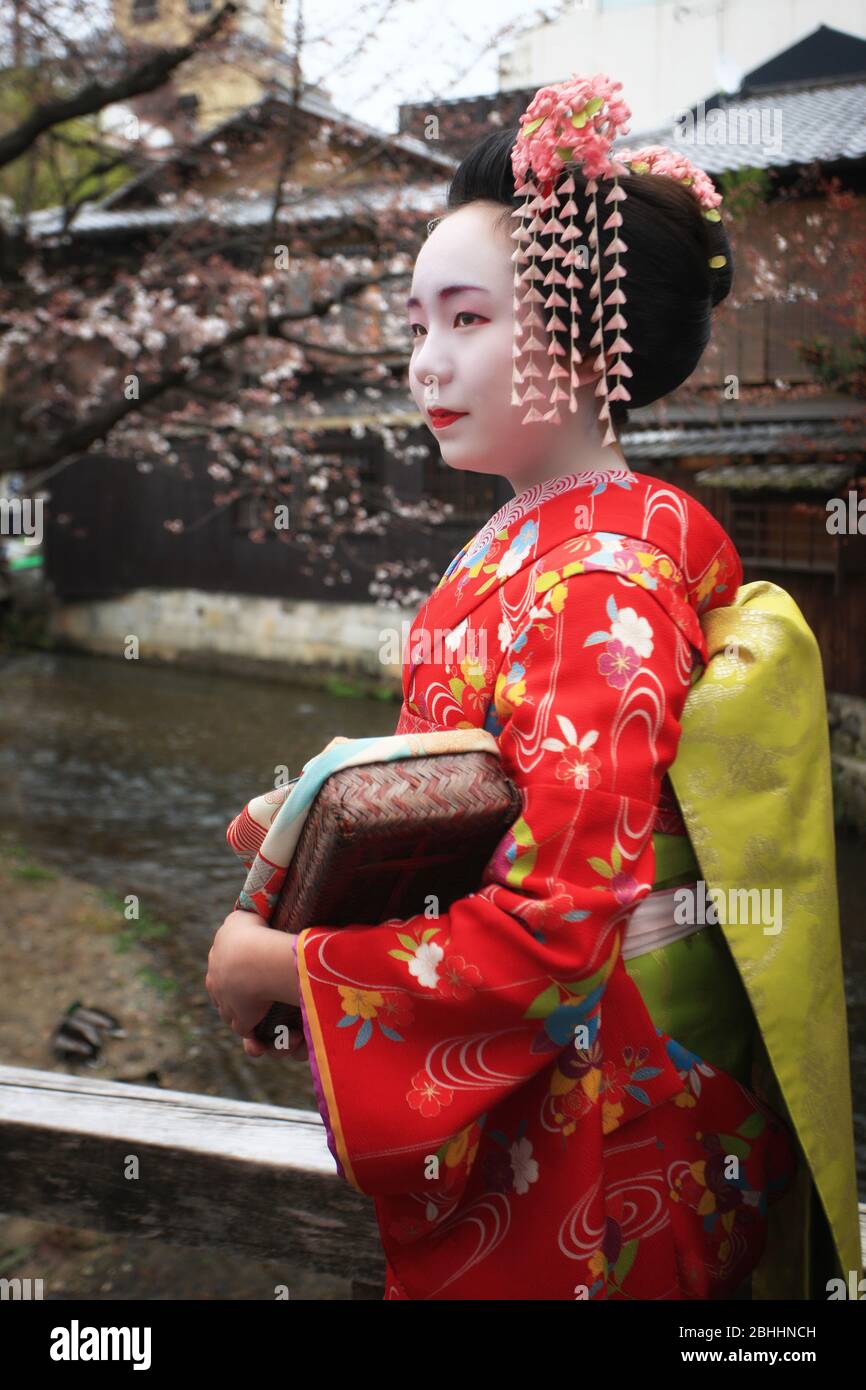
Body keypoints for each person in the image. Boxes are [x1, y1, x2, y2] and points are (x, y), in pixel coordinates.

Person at [205, 73, 860, 1299]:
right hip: (570, 1081)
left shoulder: (608, 570)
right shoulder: (525, 540)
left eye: (464, 320)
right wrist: (317, 836)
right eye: (412, 326)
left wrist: (289, 971)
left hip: (613, 1118)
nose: (423, 363)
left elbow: (563, 919)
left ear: (584, 330)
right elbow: (477, 782)